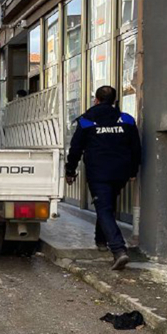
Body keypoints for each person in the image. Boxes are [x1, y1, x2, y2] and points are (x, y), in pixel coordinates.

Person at [65, 86, 141, 270]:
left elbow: (76, 148)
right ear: (114, 101)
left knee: (104, 208)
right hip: (120, 172)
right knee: (107, 205)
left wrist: (70, 170)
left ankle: (119, 250)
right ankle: (100, 240)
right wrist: (132, 171)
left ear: (96, 100)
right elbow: (136, 148)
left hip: (98, 172)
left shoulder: (87, 120)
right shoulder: (126, 120)